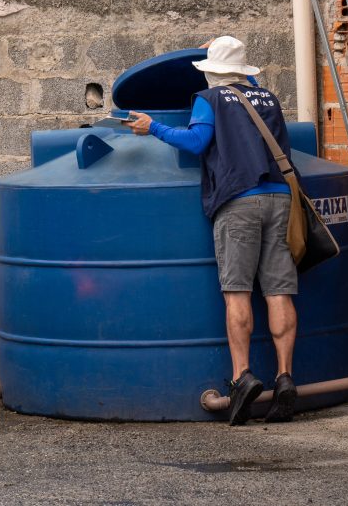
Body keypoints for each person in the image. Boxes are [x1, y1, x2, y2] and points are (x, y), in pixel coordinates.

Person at [125, 36, 298, 426]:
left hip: (239, 200)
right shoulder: (266, 97)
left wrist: (154, 127)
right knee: (279, 291)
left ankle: (242, 377)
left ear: (211, 72)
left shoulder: (210, 98)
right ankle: (285, 377)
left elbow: (197, 142)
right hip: (280, 198)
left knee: (237, 292)